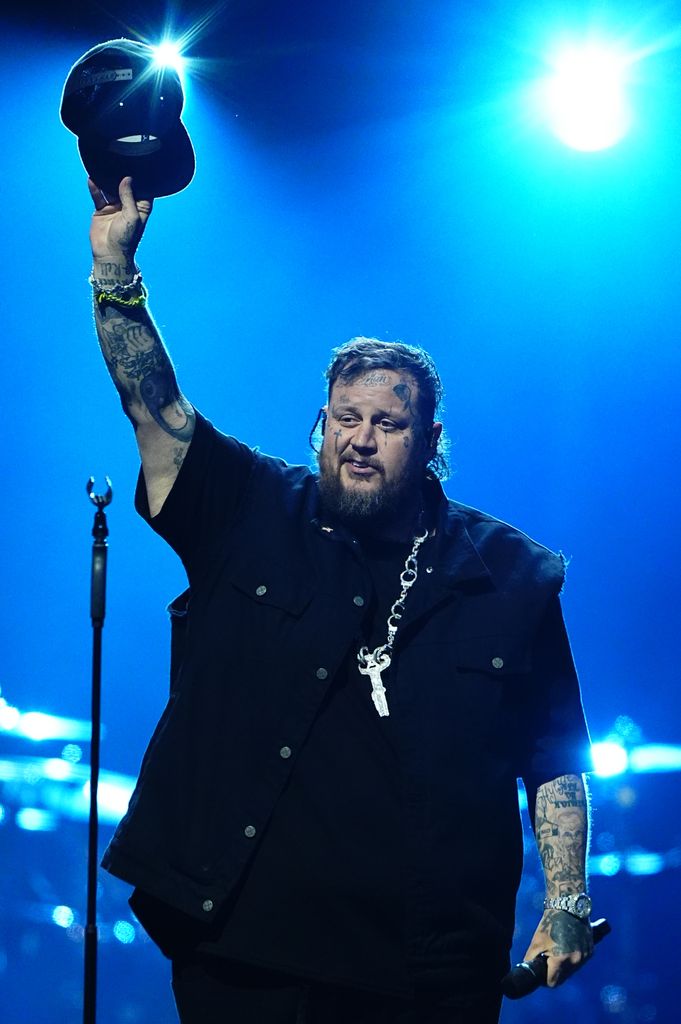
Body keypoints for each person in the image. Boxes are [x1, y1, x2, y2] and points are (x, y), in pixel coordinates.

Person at [89, 176, 594, 1024]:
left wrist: (565, 901)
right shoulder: (250, 508)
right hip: (241, 948)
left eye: (386, 426)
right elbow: (156, 408)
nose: (359, 441)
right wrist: (114, 270)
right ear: (321, 424)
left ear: (429, 442)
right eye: (342, 419)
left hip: (426, 970)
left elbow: (553, 754)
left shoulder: (511, 575)